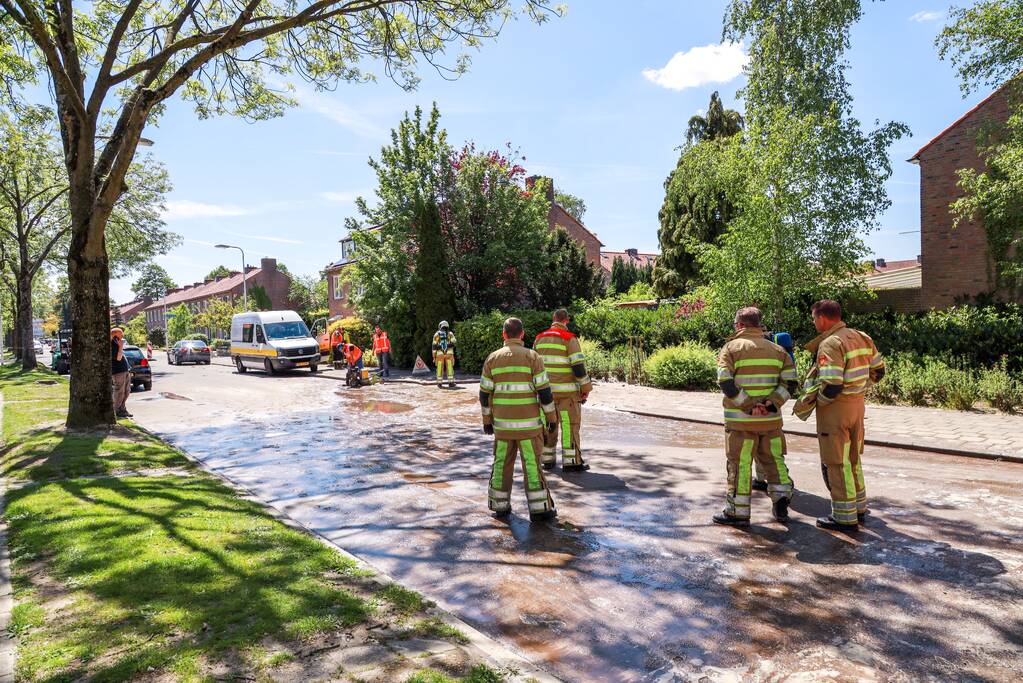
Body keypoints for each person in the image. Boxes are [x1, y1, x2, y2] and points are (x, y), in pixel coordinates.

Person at [796, 300, 885, 531]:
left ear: (822, 318)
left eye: (813, 319)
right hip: (857, 406)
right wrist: (858, 388)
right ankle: (859, 507)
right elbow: (879, 371)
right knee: (853, 459)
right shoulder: (862, 337)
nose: (813, 323)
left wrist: (817, 402)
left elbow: (832, 385)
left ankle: (844, 517)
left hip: (836, 411)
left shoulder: (830, 343)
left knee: (836, 462)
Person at [713, 307, 798, 526]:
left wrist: (749, 406)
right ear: (759, 325)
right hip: (770, 421)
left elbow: (725, 381)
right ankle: (781, 498)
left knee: (740, 465)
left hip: (741, 422)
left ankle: (737, 512)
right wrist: (771, 404)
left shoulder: (730, 349)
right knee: (774, 461)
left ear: (740, 325)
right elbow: (790, 383)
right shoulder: (778, 350)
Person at [479, 317, 558, 522]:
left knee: (501, 465)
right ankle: (539, 509)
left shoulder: (492, 358)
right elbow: (545, 393)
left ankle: (500, 506)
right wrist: (551, 419)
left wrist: (487, 421)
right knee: (531, 465)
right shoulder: (533, 357)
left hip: (502, 428)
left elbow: (484, 394)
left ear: (504, 334)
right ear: (522, 334)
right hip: (529, 428)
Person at [534, 309, 593, 471]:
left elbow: (535, 368)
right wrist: (586, 389)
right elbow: (578, 367)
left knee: (549, 425)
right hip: (567, 396)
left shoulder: (539, 339)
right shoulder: (569, 338)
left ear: (553, 319)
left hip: (545, 394)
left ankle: (547, 460)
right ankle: (571, 462)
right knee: (569, 426)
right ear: (566, 320)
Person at [111, 327, 132, 418]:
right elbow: (118, 358)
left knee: (127, 391)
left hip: (125, 370)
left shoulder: (117, 343)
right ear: (115, 335)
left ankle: (122, 409)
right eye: (121, 334)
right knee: (119, 391)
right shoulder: (112, 345)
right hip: (118, 372)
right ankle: (116, 410)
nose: (122, 336)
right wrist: (120, 347)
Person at [432, 321, 456, 388]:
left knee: (439, 367)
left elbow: (434, 346)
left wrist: (434, 356)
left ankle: (439, 383)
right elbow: (454, 342)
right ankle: (451, 383)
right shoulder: (450, 333)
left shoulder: (437, 334)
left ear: (440, 326)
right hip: (449, 353)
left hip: (439, 354)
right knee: (450, 367)